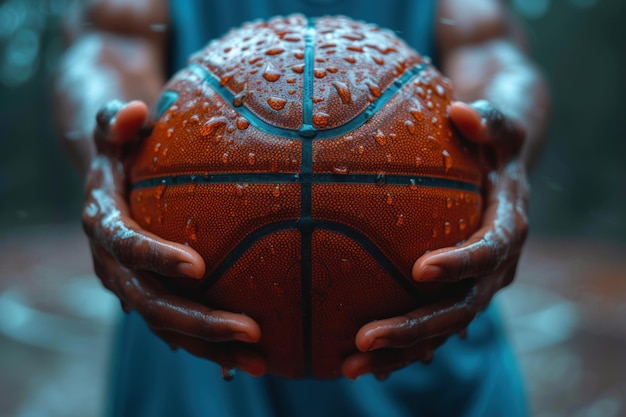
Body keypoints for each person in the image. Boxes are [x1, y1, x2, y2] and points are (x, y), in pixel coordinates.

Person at [54, 0, 549, 416]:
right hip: (186, 305)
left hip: (430, 305)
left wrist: (501, 152)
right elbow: (109, 47)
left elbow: (492, 54)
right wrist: (110, 147)